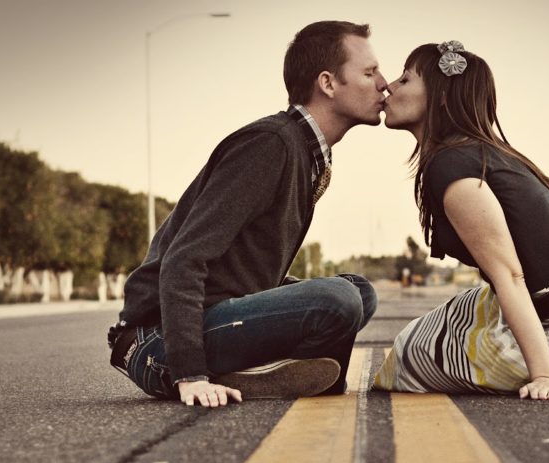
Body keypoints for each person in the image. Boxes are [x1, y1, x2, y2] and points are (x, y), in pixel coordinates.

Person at [109, 21, 387, 407]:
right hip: (156, 343)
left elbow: (245, 271)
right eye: (370, 72)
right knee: (338, 299)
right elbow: (183, 258)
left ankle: (271, 373)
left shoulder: (306, 154)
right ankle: (223, 372)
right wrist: (190, 374)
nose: (384, 84)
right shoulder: (270, 144)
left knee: (359, 291)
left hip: (215, 317)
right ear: (328, 83)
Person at [373, 41, 549, 399]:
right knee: (463, 308)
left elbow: (510, 276)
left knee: (409, 353)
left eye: (405, 79)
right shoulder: (500, 154)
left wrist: (545, 377)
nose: (389, 87)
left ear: (441, 98)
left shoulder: (451, 167)